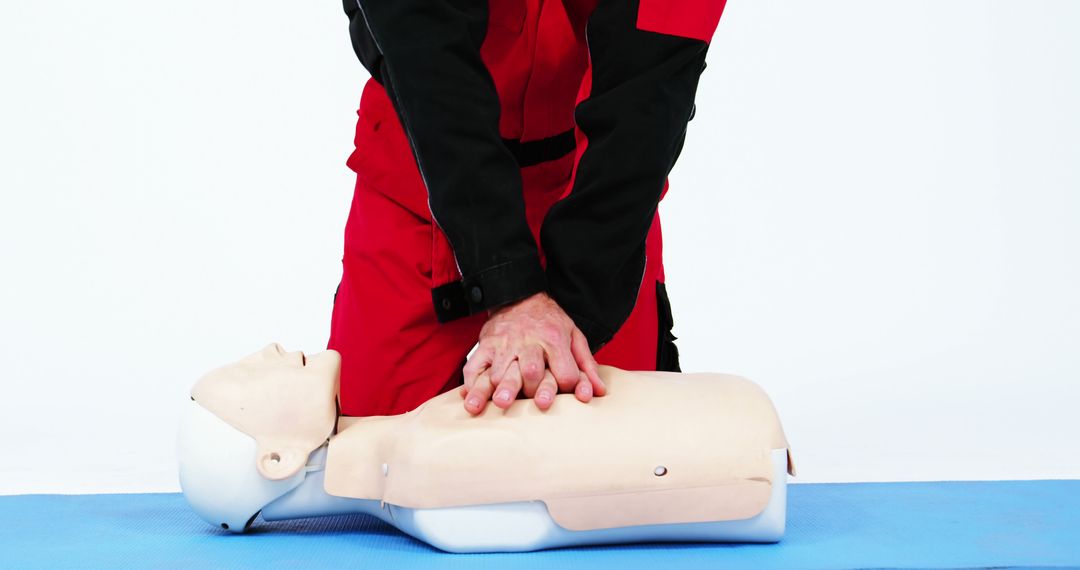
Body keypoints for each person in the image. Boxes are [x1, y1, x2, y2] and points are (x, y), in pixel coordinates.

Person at [328, 0, 728, 417]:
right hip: (422, 173)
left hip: (594, 187)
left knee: (627, 448)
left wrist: (573, 310)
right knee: (367, 453)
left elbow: (648, 88)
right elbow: (425, 52)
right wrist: (509, 286)